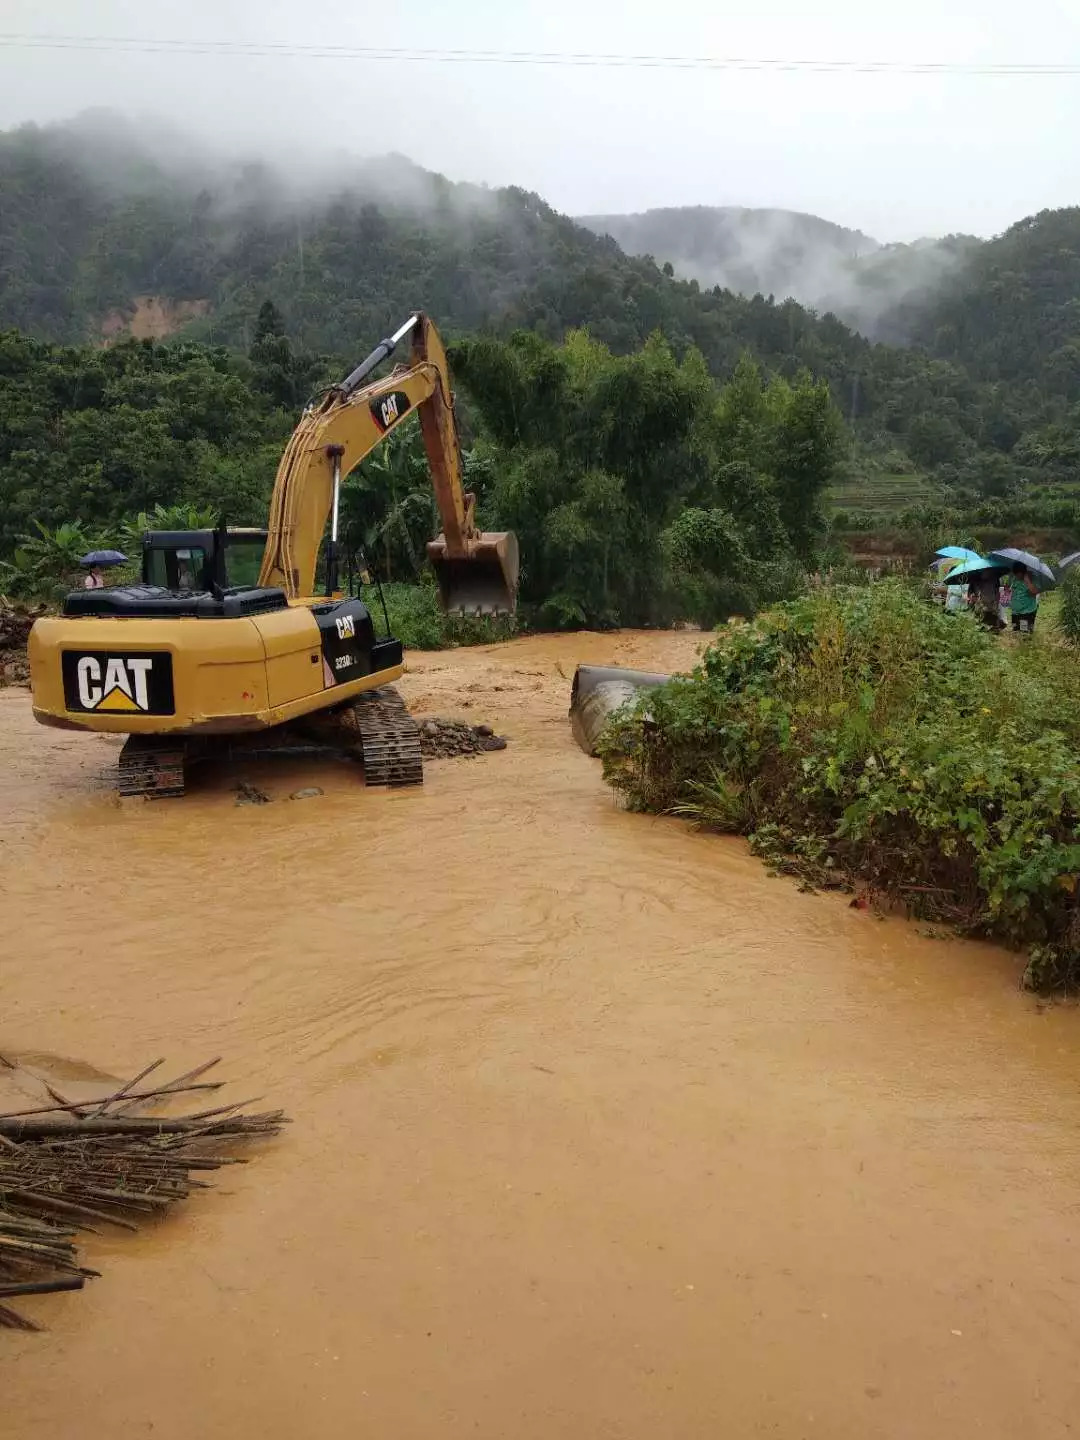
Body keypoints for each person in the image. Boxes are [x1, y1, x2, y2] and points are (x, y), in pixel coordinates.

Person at [1008, 561, 1039, 634]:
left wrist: (1028, 582)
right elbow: (1012, 591)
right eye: (1015, 574)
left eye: (1018, 574)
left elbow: (1035, 592)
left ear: (1023, 572)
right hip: (1015, 612)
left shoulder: (1030, 578)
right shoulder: (1014, 579)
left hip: (1026, 613)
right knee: (1015, 631)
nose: (1017, 576)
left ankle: (1026, 644)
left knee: (1024, 633)